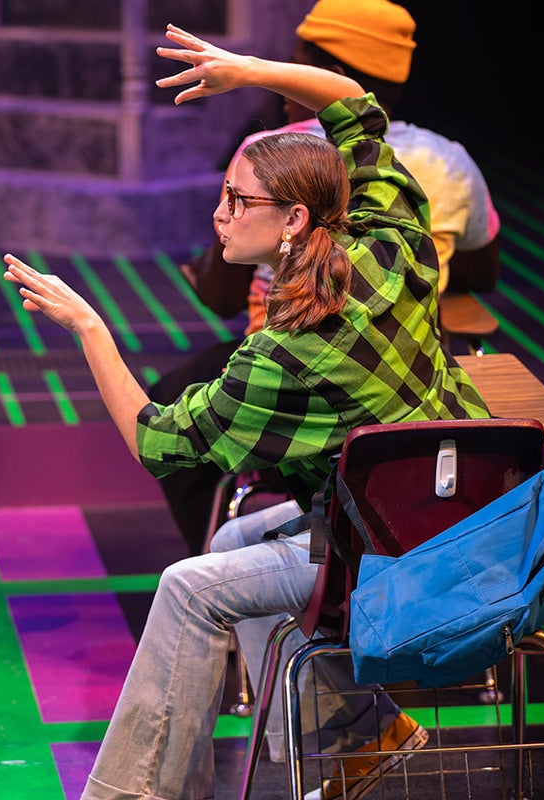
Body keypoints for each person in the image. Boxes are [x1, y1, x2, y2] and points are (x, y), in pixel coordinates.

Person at [3, 23, 490, 800]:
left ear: (293, 220)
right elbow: (355, 105)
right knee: (236, 539)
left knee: (188, 585)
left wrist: (89, 327)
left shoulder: (279, 358)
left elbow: (158, 442)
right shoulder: (392, 247)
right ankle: (358, 734)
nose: (219, 215)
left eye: (238, 200)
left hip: (399, 561)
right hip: (474, 521)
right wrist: (247, 70)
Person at [153, 0, 501, 556]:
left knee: (177, 409)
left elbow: (220, 299)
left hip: (293, 377)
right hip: (412, 389)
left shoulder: (271, 158)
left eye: (294, 64)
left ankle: (229, 552)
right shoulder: (441, 170)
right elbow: (482, 272)